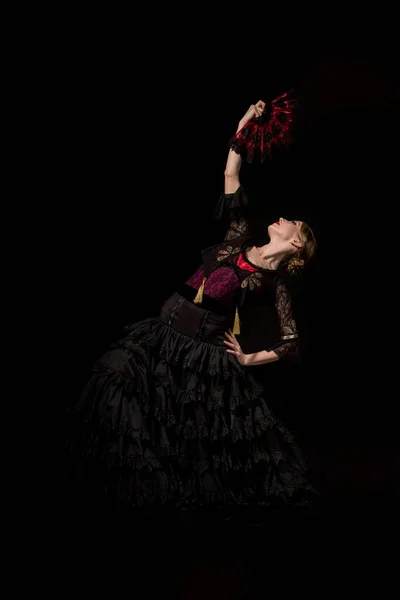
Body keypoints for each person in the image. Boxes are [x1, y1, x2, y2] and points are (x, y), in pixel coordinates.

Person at [66, 97, 317, 523]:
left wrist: (248, 358)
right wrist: (243, 122)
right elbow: (230, 173)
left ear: (296, 243)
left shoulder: (273, 284)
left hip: (200, 354)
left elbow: (291, 343)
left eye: (289, 221)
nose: (280, 217)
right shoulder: (239, 236)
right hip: (161, 332)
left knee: (184, 436)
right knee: (113, 380)